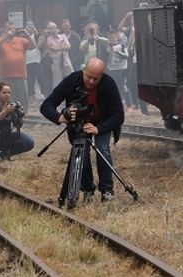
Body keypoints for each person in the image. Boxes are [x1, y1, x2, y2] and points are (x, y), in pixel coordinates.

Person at [40, 57, 125, 203]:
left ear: (102, 76)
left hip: (102, 123)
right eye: (89, 77)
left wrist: (98, 129)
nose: (91, 82)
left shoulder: (108, 83)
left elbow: (119, 116)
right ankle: (87, 190)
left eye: (96, 79)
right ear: (83, 71)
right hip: (78, 124)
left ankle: (107, 191)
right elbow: (46, 105)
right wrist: (60, 117)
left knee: (103, 150)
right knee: (81, 154)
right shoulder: (72, 80)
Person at [0, 81, 34, 160]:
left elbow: (17, 124)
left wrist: (19, 116)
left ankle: (5, 154)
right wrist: (6, 112)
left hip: (6, 137)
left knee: (29, 142)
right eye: (4, 93)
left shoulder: (10, 105)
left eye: (9, 93)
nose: (7, 95)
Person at [0, 23, 32, 108]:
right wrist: (5, 37)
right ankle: (10, 117)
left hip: (21, 74)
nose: (11, 31)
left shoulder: (21, 40)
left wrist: (27, 34)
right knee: (7, 99)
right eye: (9, 29)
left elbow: (33, 46)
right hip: (5, 76)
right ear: (4, 30)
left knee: (23, 98)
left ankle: (23, 116)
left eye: (13, 29)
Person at [43, 22, 72, 91]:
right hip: (56, 62)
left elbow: (68, 46)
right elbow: (50, 48)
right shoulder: (48, 39)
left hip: (66, 60)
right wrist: (61, 47)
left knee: (70, 78)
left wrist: (57, 49)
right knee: (57, 81)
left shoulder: (63, 36)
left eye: (54, 28)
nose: (53, 30)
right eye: (50, 28)